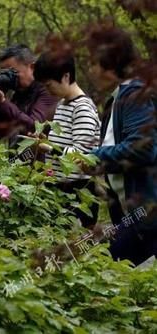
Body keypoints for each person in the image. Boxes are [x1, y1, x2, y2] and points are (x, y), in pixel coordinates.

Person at [78, 26, 157, 266]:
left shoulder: (133, 94)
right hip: (137, 216)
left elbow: (143, 147)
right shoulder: (118, 99)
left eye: (93, 63)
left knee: (97, 262)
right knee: (103, 263)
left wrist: (92, 157)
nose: (90, 71)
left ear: (110, 63)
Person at [33, 51, 101, 228]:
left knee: (78, 247)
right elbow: (63, 145)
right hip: (61, 187)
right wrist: (44, 143)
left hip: (79, 192)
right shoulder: (63, 105)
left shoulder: (82, 108)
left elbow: (83, 156)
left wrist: (49, 148)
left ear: (66, 76)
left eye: (49, 85)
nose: (48, 90)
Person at [0, 44, 58, 150]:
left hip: (41, 165)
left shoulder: (47, 91)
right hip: (15, 165)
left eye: (13, 72)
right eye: (4, 73)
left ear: (32, 67)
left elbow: (35, 128)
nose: (8, 78)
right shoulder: (17, 95)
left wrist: (3, 102)